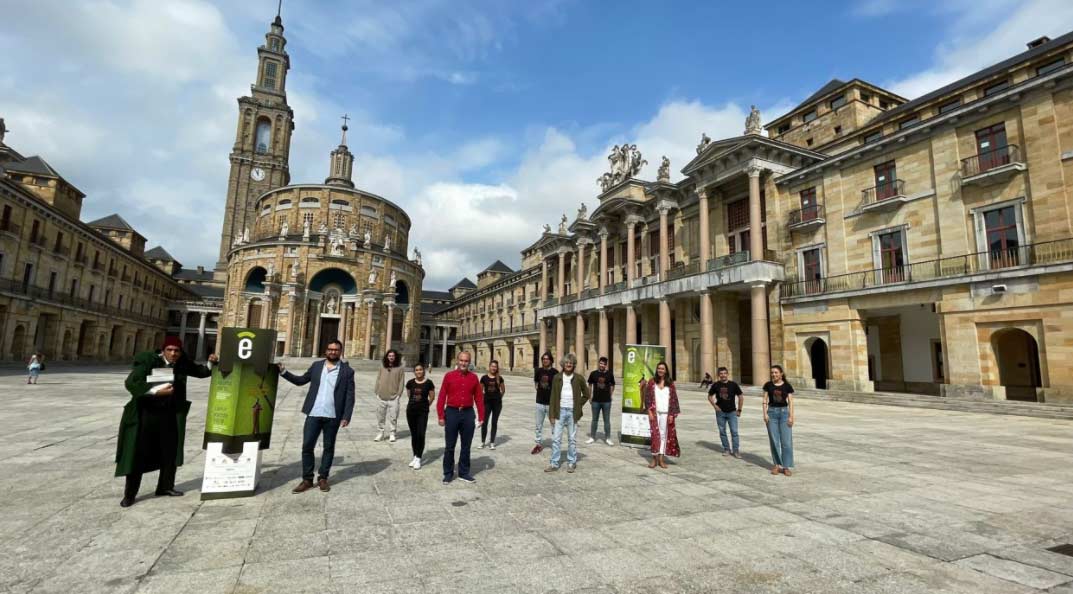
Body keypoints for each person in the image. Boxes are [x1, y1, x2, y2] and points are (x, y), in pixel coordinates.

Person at [115, 337, 217, 508]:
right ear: (163, 350)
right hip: (146, 414)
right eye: (170, 350)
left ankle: (165, 487)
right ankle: (130, 494)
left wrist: (210, 363)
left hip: (170, 414)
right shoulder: (149, 362)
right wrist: (155, 391)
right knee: (138, 452)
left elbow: (201, 372)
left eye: (176, 350)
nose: (173, 353)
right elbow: (131, 383)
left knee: (170, 450)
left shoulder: (181, 362)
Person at [279, 340, 356, 492]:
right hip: (314, 413)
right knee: (307, 446)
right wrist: (283, 372)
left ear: (340, 352)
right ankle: (307, 479)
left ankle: (323, 478)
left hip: (333, 415)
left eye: (336, 350)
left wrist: (346, 415)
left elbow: (350, 395)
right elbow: (301, 381)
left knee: (328, 447)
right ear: (326, 350)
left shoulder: (347, 371)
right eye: (330, 349)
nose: (333, 352)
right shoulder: (316, 366)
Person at [437, 351, 485, 484]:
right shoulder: (449, 376)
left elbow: (479, 398)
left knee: (466, 446)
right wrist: (440, 415)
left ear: (469, 363)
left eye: (466, 361)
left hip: (468, 413)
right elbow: (442, 396)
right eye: (461, 360)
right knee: (449, 446)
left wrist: (481, 416)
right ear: (457, 361)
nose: (463, 363)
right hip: (452, 412)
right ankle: (448, 473)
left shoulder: (474, 378)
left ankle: (464, 472)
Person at [545, 353, 590, 473]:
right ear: (563, 364)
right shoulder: (557, 377)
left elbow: (587, 394)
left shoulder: (579, 378)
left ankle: (571, 462)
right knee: (556, 439)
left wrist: (579, 404)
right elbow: (553, 397)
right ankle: (554, 463)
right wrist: (551, 414)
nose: (569, 364)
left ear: (574, 365)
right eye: (567, 362)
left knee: (572, 439)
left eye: (571, 363)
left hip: (572, 412)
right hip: (559, 411)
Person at [644, 361, 680, 469]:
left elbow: (674, 400)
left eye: (662, 368)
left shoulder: (670, 383)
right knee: (655, 435)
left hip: (666, 414)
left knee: (664, 435)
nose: (660, 370)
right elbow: (647, 398)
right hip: (655, 413)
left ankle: (661, 459)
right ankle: (654, 459)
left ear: (666, 370)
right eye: (659, 368)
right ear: (657, 370)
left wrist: (671, 414)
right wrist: (649, 412)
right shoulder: (652, 382)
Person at [763, 364, 796, 477]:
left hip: (784, 413)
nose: (774, 374)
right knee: (774, 441)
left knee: (786, 442)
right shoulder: (768, 385)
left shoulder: (787, 386)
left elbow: (791, 402)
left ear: (781, 374)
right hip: (772, 413)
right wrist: (765, 414)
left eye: (776, 372)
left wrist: (791, 416)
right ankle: (777, 465)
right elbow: (764, 400)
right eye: (772, 373)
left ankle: (786, 466)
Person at [405, 362, 435, 470]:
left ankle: (419, 457)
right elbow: (409, 395)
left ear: (424, 370)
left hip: (422, 412)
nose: (418, 371)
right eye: (416, 370)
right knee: (414, 435)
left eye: (420, 369)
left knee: (421, 434)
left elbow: (432, 397)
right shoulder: (410, 383)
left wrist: (426, 406)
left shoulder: (429, 383)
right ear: (414, 372)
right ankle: (414, 456)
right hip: (411, 411)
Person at [708, 367, 744, 458]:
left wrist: (739, 409)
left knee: (734, 432)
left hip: (732, 412)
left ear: (727, 374)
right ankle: (726, 449)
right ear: (718, 375)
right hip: (720, 412)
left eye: (725, 373)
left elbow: (740, 396)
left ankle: (736, 450)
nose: (723, 375)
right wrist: (715, 406)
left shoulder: (733, 385)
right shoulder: (716, 385)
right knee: (722, 431)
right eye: (721, 373)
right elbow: (709, 396)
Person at [373, 349, 405, 442]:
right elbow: (378, 379)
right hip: (382, 396)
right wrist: (377, 392)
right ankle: (380, 433)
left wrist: (399, 394)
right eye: (389, 356)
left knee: (393, 417)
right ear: (387, 357)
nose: (391, 357)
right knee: (380, 416)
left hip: (394, 397)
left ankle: (392, 433)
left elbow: (401, 382)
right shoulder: (382, 367)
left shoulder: (400, 368)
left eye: (393, 356)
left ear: (395, 357)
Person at [532, 352, 557, 455]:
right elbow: (536, 383)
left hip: (551, 404)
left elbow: (558, 387)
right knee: (538, 425)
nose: (545, 360)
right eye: (543, 359)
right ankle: (538, 444)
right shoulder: (538, 371)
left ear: (550, 360)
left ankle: (556, 444)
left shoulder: (555, 372)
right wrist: (539, 389)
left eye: (547, 359)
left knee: (554, 425)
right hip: (540, 402)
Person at [586, 356, 615, 445]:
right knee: (594, 420)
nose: (602, 365)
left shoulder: (609, 374)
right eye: (601, 363)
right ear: (599, 363)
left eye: (604, 364)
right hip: (596, 401)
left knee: (607, 420)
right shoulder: (593, 374)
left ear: (606, 365)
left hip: (606, 401)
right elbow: (590, 385)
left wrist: (610, 395)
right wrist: (589, 397)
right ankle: (592, 437)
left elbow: (612, 385)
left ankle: (608, 438)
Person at [479, 360, 505, 450]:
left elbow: (503, 390)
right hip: (487, 403)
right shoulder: (484, 378)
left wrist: (498, 398)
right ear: (489, 367)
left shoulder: (499, 378)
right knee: (484, 422)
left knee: (494, 422)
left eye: (495, 366)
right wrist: (484, 398)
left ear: (497, 368)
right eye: (492, 366)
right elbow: (480, 391)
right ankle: (482, 442)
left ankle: (492, 442)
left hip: (497, 404)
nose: (494, 368)